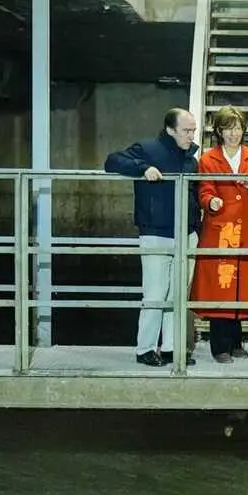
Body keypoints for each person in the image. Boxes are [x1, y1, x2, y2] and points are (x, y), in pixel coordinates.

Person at [104, 107, 201, 367]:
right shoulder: (147, 149)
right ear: (170, 130)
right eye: (186, 130)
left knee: (177, 294)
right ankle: (145, 348)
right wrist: (143, 167)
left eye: (193, 130)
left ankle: (170, 348)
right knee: (155, 293)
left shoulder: (191, 160)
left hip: (186, 234)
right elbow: (112, 161)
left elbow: (195, 194)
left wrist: (196, 228)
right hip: (157, 233)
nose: (191, 135)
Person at [191, 105, 248, 364]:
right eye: (228, 129)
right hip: (220, 229)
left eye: (238, 128)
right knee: (220, 288)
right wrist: (210, 201)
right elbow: (204, 189)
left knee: (240, 288)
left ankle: (236, 342)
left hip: (244, 229)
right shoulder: (208, 159)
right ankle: (219, 347)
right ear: (219, 131)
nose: (234, 134)